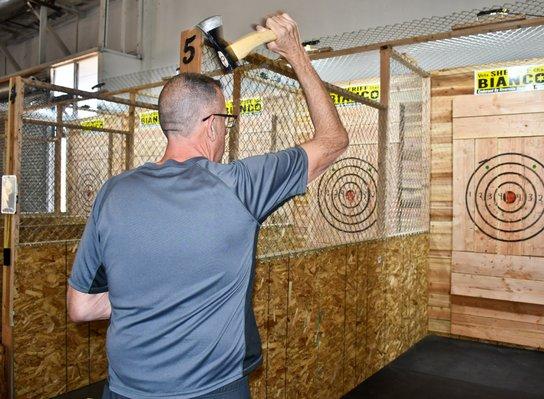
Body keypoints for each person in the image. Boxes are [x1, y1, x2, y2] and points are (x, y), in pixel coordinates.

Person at [67, 12, 349, 399]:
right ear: (212, 124)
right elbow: (333, 140)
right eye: (226, 122)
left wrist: (149, 302)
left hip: (125, 391)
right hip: (213, 390)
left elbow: (81, 307)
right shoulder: (239, 186)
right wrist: (296, 55)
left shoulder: (113, 193)